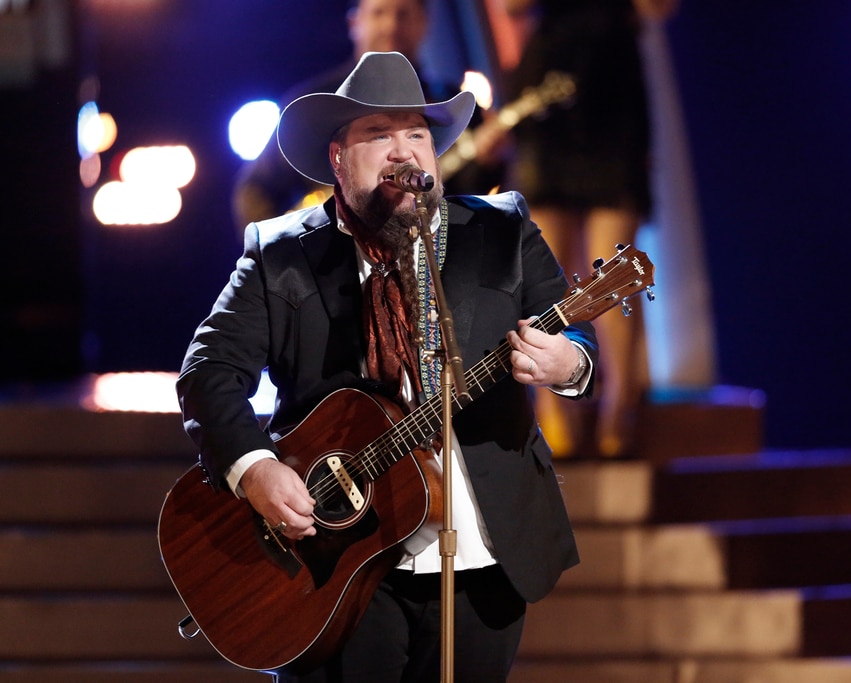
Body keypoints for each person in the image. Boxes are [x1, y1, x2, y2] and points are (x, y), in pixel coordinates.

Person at [177, 51, 597, 682]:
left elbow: (578, 338)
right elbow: (208, 372)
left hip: (484, 558)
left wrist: (569, 363)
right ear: (338, 158)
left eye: (416, 134)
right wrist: (256, 469)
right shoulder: (281, 255)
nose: (403, 151)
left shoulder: (502, 230)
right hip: (338, 566)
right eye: (379, 135)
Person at [503, 0, 675, 459]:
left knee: (612, 265)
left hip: (610, 85)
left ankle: (622, 398)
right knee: (548, 268)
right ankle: (556, 406)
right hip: (549, 85)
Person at [232, 0, 507, 232]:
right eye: (379, 13)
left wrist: (489, 164)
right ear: (355, 23)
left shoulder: (448, 102)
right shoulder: (313, 102)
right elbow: (255, 191)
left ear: (424, 23)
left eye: (403, 14)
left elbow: (466, 204)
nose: (391, 26)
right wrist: (283, 265)